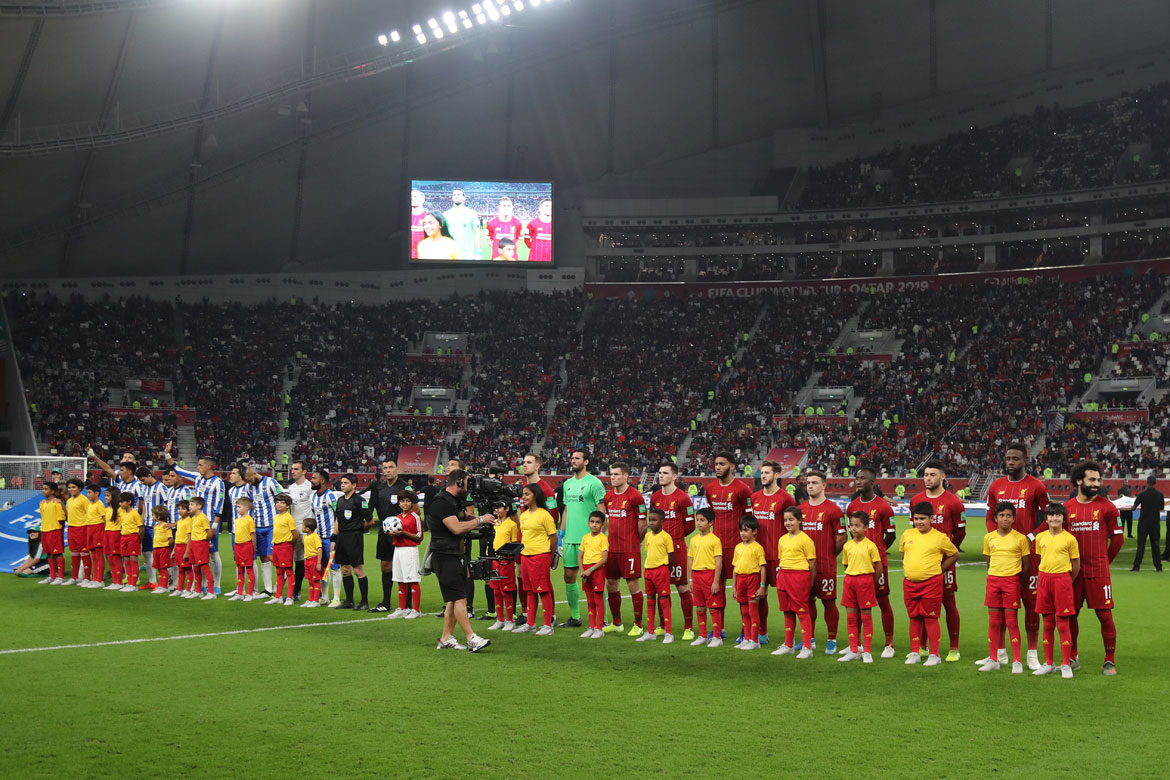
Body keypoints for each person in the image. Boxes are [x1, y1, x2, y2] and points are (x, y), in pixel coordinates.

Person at [982, 442, 1050, 669]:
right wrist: (997, 538)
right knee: (999, 607)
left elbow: (1049, 516)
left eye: (1015, 459)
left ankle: (1031, 654)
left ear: (1025, 461)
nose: (1010, 462)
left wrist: (1031, 536)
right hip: (1003, 557)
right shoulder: (996, 486)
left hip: (1029, 555)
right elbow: (990, 517)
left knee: (1031, 605)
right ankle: (999, 654)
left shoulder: (1036, 486)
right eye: (1008, 458)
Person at [426, 469, 494, 652]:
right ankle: (471, 638)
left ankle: (446, 638)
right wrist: (480, 519)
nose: (470, 487)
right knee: (460, 599)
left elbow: (463, 517)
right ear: (458, 483)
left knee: (453, 599)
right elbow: (456, 528)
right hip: (445, 556)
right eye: (468, 483)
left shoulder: (454, 501)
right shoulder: (441, 502)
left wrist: (484, 519)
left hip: (455, 555)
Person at [1064, 460, 1122, 676]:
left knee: (1105, 616)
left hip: (1098, 573)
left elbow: (1118, 540)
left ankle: (1109, 660)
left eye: (1098, 479)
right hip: (1074, 573)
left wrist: (1104, 562)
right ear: (1079, 481)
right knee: (1071, 615)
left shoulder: (1108, 507)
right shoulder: (1066, 509)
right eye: (1092, 479)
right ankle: (1073, 655)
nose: (1096, 483)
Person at [909, 459, 966, 661]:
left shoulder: (953, 502)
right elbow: (914, 531)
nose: (928, 478)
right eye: (925, 475)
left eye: (932, 475)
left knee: (948, 603)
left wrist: (947, 554)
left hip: (944, 564)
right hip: (922, 564)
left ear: (943, 476)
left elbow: (960, 533)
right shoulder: (916, 501)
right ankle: (922, 646)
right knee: (921, 606)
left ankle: (953, 648)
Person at [900, 502, 959, 667]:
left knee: (930, 618)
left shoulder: (939, 537)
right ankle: (915, 652)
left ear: (931, 519)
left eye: (923, 519)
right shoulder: (907, 534)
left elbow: (954, 554)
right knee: (914, 617)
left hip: (931, 583)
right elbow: (903, 553)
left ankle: (934, 654)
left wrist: (940, 570)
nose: (919, 522)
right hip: (910, 583)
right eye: (916, 519)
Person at [847, 466, 897, 657]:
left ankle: (889, 644)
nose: (859, 481)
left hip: (877, 565)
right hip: (856, 566)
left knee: (883, 602)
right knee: (857, 605)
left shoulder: (884, 507)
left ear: (873, 482)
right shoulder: (852, 507)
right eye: (857, 478)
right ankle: (857, 644)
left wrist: (876, 553)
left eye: (863, 478)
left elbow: (891, 535)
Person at [703, 451, 752, 639]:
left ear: (732, 466)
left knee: (742, 589)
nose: (717, 467)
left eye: (722, 464)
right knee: (716, 587)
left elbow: (749, 517)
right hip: (717, 547)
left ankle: (745, 630)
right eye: (716, 464)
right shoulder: (711, 488)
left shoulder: (742, 489)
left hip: (739, 546)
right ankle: (719, 628)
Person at [979, 502, 1031, 674]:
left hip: (1011, 582)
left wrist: (1016, 581)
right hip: (993, 581)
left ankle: (1017, 661)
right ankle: (994, 659)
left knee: (1011, 622)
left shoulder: (1020, 538)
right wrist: (995, 575)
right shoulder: (989, 538)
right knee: (994, 622)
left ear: (1014, 518)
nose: (1005, 519)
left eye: (1009, 515)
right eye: (1002, 515)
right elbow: (989, 561)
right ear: (995, 518)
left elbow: (1026, 564)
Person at [555, 450, 603, 629]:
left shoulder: (595, 483)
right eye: (572, 458)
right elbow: (566, 510)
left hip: (589, 539)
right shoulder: (567, 484)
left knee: (594, 579)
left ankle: (601, 618)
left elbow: (601, 510)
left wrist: (601, 536)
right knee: (568, 576)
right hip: (571, 538)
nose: (573, 461)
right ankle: (575, 617)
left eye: (577, 458)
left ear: (586, 461)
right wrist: (561, 533)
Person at [798, 470, 845, 653]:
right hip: (804, 567)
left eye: (815, 483)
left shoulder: (833, 510)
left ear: (824, 485)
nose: (810, 486)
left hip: (825, 566)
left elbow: (842, 538)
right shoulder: (800, 510)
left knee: (828, 602)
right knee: (808, 602)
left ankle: (831, 640)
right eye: (808, 483)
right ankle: (809, 639)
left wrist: (829, 555)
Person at [748, 460, 793, 646]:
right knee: (759, 596)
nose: (764, 475)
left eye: (767, 472)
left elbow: (794, 526)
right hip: (759, 557)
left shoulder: (786, 499)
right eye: (762, 472)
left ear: (777, 475)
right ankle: (762, 633)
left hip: (780, 557)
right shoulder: (755, 497)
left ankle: (792, 638)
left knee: (787, 598)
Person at [650, 461, 697, 639]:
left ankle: (688, 628)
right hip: (657, 550)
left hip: (676, 549)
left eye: (665, 473)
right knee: (660, 588)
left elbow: (690, 524)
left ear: (674, 477)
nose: (661, 475)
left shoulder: (683, 498)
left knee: (682, 586)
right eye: (660, 472)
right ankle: (662, 625)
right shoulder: (655, 498)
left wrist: (674, 539)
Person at [1034, 504, 1081, 679]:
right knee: (1047, 623)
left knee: (1062, 623)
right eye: (1051, 515)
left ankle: (1066, 664)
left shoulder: (1070, 539)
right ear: (1046, 519)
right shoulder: (1040, 538)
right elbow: (1041, 559)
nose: (1055, 518)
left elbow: (1076, 565)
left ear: (1063, 518)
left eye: (1058, 515)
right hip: (1045, 580)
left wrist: (1067, 581)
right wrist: (1041, 581)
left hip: (1062, 580)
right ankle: (1048, 663)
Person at [600, 460, 646, 635]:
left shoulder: (635, 496)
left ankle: (638, 625)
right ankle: (617, 623)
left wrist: (635, 543)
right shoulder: (609, 497)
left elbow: (643, 523)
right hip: (612, 549)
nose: (613, 477)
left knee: (633, 584)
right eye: (611, 474)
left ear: (626, 476)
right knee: (611, 584)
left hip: (629, 549)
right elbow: (605, 521)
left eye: (616, 474)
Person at [772, 507, 817, 659]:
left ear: (799, 520)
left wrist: (809, 583)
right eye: (785, 520)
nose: (788, 523)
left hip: (799, 576)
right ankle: (788, 645)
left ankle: (806, 647)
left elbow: (812, 563)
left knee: (802, 611)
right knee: (787, 610)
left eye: (791, 519)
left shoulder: (806, 539)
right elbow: (781, 559)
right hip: (784, 575)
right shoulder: (782, 539)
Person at [839, 511, 883, 663]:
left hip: (865, 581)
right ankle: (853, 649)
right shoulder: (847, 546)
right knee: (851, 617)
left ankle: (867, 651)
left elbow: (878, 566)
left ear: (866, 527)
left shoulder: (870, 546)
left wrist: (872, 583)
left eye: (857, 525)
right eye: (851, 525)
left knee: (866, 617)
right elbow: (846, 564)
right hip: (850, 581)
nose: (853, 529)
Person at [515, 483, 558, 636]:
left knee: (543, 590)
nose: (524, 497)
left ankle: (548, 625)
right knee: (529, 591)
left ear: (536, 496)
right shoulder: (524, 515)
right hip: (526, 556)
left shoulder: (544, 515)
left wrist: (550, 556)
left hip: (540, 556)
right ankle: (530, 624)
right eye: (523, 494)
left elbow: (553, 537)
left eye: (527, 494)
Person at [367, 458, 407, 614]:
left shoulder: (404, 487)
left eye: (391, 467)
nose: (388, 470)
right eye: (385, 468)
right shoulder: (379, 488)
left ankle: (407, 604)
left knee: (403, 568)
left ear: (397, 468)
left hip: (401, 532)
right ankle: (386, 602)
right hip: (384, 531)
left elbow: (415, 509)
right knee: (385, 567)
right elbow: (371, 506)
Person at [331, 473, 374, 611]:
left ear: (354, 485)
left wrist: (359, 530)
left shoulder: (359, 500)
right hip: (342, 537)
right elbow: (338, 520)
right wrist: (334, 538)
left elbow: (370, 520)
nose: (343, 485)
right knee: (345, 569)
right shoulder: (340, 501)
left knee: (357, 569)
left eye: (346, 483)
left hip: (354, 537)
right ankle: (349, 601)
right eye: (342, 483)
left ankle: (364, 601)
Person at [636, 508, 675, 644]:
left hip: (661, 570)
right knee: (650, 600)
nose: (651, 523)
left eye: (654, 520)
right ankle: (651, 631)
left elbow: (671, 555)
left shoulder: (666, 537)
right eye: (650, 520)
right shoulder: (647, 536)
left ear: (662, 522)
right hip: (649, 570)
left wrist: (667, 571)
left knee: (664, 601)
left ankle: (668, 632)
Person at [687, 507, 724, 647]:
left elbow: (718, 561)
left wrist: (715, 581)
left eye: (702, 520)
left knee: (714, 608)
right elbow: (690, 560)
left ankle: (716, 637)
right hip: (696, 576)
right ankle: (703, 635)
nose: (699, 523)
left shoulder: (715, 540)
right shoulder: (693, 540)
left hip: (709, 575)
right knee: (700, 607)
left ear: (711, 523)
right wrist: (690, 579)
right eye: (698, 520)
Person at [243, 464, 281, 598]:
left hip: (272, 525)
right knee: (263, 558)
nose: (248, 483)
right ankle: (268, 590)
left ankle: (283, 577)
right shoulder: (249, 488)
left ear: (254, 473)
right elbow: (250, 505)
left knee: (272, 556)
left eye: (249, 479)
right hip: (258, 526)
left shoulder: (270, 482)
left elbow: (282, 498)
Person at [730, 514, 766, 651]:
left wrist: (762, 586)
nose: (743, 533)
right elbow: (735, 568)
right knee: (744, 611)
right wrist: (734, 587)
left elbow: (762, 568)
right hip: (741, 580)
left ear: (754, 532)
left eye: (746, 530)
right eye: (741, 530)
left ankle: (755, 640)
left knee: (752, 611)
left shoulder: (758, 548)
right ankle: (747, 638)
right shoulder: (738, 547)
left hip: (753, 579)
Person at [389, 489, 424, 619]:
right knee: (400, 579)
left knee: (412, 579)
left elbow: (420, 536)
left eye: (408, 501)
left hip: (410, 549)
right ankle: (402, 608)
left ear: (412, 503)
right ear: (399, 503)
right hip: (398, 549)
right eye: (402, 501)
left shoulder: (415, 517)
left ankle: (416, 609)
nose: (405, 504)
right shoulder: (397, 518)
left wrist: (404, 533)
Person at [310, 469, 342, 607]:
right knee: (322, 568)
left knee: (334, 568)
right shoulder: (312, 497)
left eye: (314, 478)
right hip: (319, 538)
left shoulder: (331, 497)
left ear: (322, 481)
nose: (311, 480)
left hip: (330, 538)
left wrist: (335, 537)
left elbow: (339, 516)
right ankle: (325, 597)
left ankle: (336, 597)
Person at [487, 503, 519, 632]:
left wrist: (510, 558)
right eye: (496, 507)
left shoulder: (512, 525)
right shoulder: (493, 523)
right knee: (496, 590)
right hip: (494, 559)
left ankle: (510, 620)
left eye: (499, 507)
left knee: (506, 590)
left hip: (506, 560)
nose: (497, 510)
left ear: (507, 509)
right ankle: (500, 619)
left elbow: (515, 544)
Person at [286, 460, 314, 603]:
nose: (293, 471)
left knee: (310, 562)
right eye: (292, 469)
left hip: (307, 531)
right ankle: (296, 592)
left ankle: (317, 593)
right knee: (297, 562)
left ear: (304, 471)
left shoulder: (310, 487)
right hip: (295, 530)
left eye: (296, 469)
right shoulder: (290, 488)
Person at [579, 510, 609, 638]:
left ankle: (599, 628)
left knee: (598, 600)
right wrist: (582, 571)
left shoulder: (603, 538)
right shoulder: (585, 538)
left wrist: (590, 570)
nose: (594, 525)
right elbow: (580, 556)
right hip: (586, 571)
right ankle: (591, 627)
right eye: (592, 522)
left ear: (602, 525)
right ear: (588, 523)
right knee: (589, 600)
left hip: (597, 570)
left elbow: (604, 559)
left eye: (597, 522)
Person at [136, 467, 168, 590]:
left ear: (150, 475)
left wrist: (164, 523)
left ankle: (165, 581)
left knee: (160, 554)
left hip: (158, 527)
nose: (142, 482)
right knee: (146, 553)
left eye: (143, 480)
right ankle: (152, 581)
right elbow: (144, 505)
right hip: (147, 525)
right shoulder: (143, 488)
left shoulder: (161, 487)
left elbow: (167, 505)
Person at [267, 494, 299, 606]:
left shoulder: (288, 518)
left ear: (287, 506)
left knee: (289, 572)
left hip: (285, 546)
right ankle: (278, 596)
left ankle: (290, 597)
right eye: (277, 502)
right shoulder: (276, 517)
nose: (279, 504)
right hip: (276, 546)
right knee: (279, 571)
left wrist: (290, 545)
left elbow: (295, 534)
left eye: (282, 503)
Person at [1131, 475, 1164, 571]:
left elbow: (1134, 508)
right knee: (1156, 545)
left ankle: (1136, 566)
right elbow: (1161, 508)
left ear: (1147, 482)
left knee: (1141, 545)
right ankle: (1158, 567)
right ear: (1155, 483)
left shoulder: (1142, 494)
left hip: (1143, 523)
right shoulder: (1160, 494)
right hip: (1155, 523)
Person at [185, 496, 215, 600]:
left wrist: (206, 542)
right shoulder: (193, 518)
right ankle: (198, 591)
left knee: (204, 567)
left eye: (192, 504)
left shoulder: (203, 518)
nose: (189, 506)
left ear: (199, 506)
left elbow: (209, 532)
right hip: (193, 544)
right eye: (190, 504)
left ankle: (211, 592)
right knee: (195, 568)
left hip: (200, 544)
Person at [63, 478, 92, 586]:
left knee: (84, 552)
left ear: (79, 488)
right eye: (69, 487)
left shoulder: (84, 500)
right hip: (71, 528)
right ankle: (75, 577)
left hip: (82, 528)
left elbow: (90, 514)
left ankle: (87, 578)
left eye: (73, 487)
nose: (71, 489)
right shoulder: (69, 501)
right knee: (74, 553)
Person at [230, 495, 258, 602]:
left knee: (249, 569)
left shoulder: (249, 520)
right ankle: (240, 592)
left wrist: (253, 548)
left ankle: (250, 593)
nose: (237, 509)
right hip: (238, 546)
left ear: (246, 508)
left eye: (239, 507)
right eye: (237, 507)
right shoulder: (237, 520)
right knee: (240, 569)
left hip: (246, 546)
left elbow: (253, 535)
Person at [443, 187, 482, 260]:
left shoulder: (471, 213)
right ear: (452, 198)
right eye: (454, 195)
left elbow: (478, 233)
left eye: (459, 194)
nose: (456, 196)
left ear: (464, 198)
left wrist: (479, 252)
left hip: (467, 254)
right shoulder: (446, 214)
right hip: (450, 253)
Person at [38, 482, 66, 584]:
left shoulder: (57, 504)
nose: (43, 491)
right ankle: (52, 576)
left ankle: (61, 577)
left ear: (53, 491)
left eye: (46, 489)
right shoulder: (42, 504)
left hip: (55, 531)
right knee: (49, 554)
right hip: (45, 531)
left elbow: (62, 520)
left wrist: (58, 531)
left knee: (58, 554)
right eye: (43, 488)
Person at [117, 492, 144, 593]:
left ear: (129, 502)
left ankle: (133, 584)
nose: (120, 504)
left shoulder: (134, 513)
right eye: (119, 502)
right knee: (126, 560)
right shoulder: (122, 513)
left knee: (133, 560)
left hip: (133, 537)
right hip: (124, 537)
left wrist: (138, 540)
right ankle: (129, 582)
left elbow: (141, 528)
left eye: (122, 502)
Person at [99, 486, 125, 591]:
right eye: (105, 495)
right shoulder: (107, 509)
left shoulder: (119, 510)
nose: (105, 497)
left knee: (115, 558)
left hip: (116, 534)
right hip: (108, 533)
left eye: (108, 495)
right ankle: (115, 581)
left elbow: (124, 522)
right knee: (110, 558)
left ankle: (119, 581)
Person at [83, 483, 107, 588]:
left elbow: (104, 519)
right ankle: (95, 578)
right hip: (90, 528)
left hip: (98, 528)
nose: (88, 495)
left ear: (96, 493)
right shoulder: (90, 505)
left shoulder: (100, 504)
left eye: (89, 492)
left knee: (99, 554)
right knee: (93, 554)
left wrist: (104, 532)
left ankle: (99, 580)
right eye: (87, 492)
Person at [150, 506, 175, 594]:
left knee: (163, 568)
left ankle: (164, 586)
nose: (152, 516)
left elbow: (170, 539)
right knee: (159, 568)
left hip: (164, 549)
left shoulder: (166, 526)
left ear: (159, 516)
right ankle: (161, 585)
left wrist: (169, 548)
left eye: (153, 515)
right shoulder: (156, 526)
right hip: (156, 549)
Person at [171, 499, 193, 597]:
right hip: (178, 547)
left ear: (188, 510)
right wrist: (173, 549)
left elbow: (189, 537)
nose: (180, 511)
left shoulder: (189, 521)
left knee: (188, 569)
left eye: (183, 509)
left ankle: (188, 589)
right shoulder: (179, 521)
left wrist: (187, 551)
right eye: (179, 509)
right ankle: (179, 589)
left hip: (184, 547)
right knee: (180, 569)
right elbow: (178, 536)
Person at [300, 517, 323, 608]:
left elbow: (319, 549)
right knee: (310, 581)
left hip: (314, 560)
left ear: (307, 529)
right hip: (307, 560)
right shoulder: (305, 537)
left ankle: (316, 600)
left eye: (302, 525)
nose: (301, 527)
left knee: (315, 580)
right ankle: (310, 599)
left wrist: (318, 563)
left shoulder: (315, 537)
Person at [523, 197, 553, 263]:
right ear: (540, 208)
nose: (550, 208)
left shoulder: (556, 224)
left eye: (551, 206)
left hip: (551, 259)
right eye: (547, 206)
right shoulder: (532, 223)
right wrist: (534, 249)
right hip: (535, 258)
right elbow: (526, 239)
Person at [409, 188, 427, 258]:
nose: (412, 199)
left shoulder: (428, 217)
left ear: (423, 200)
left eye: (415, 197)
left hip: (423, 256)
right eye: (411, 197)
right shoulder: (406, 216)